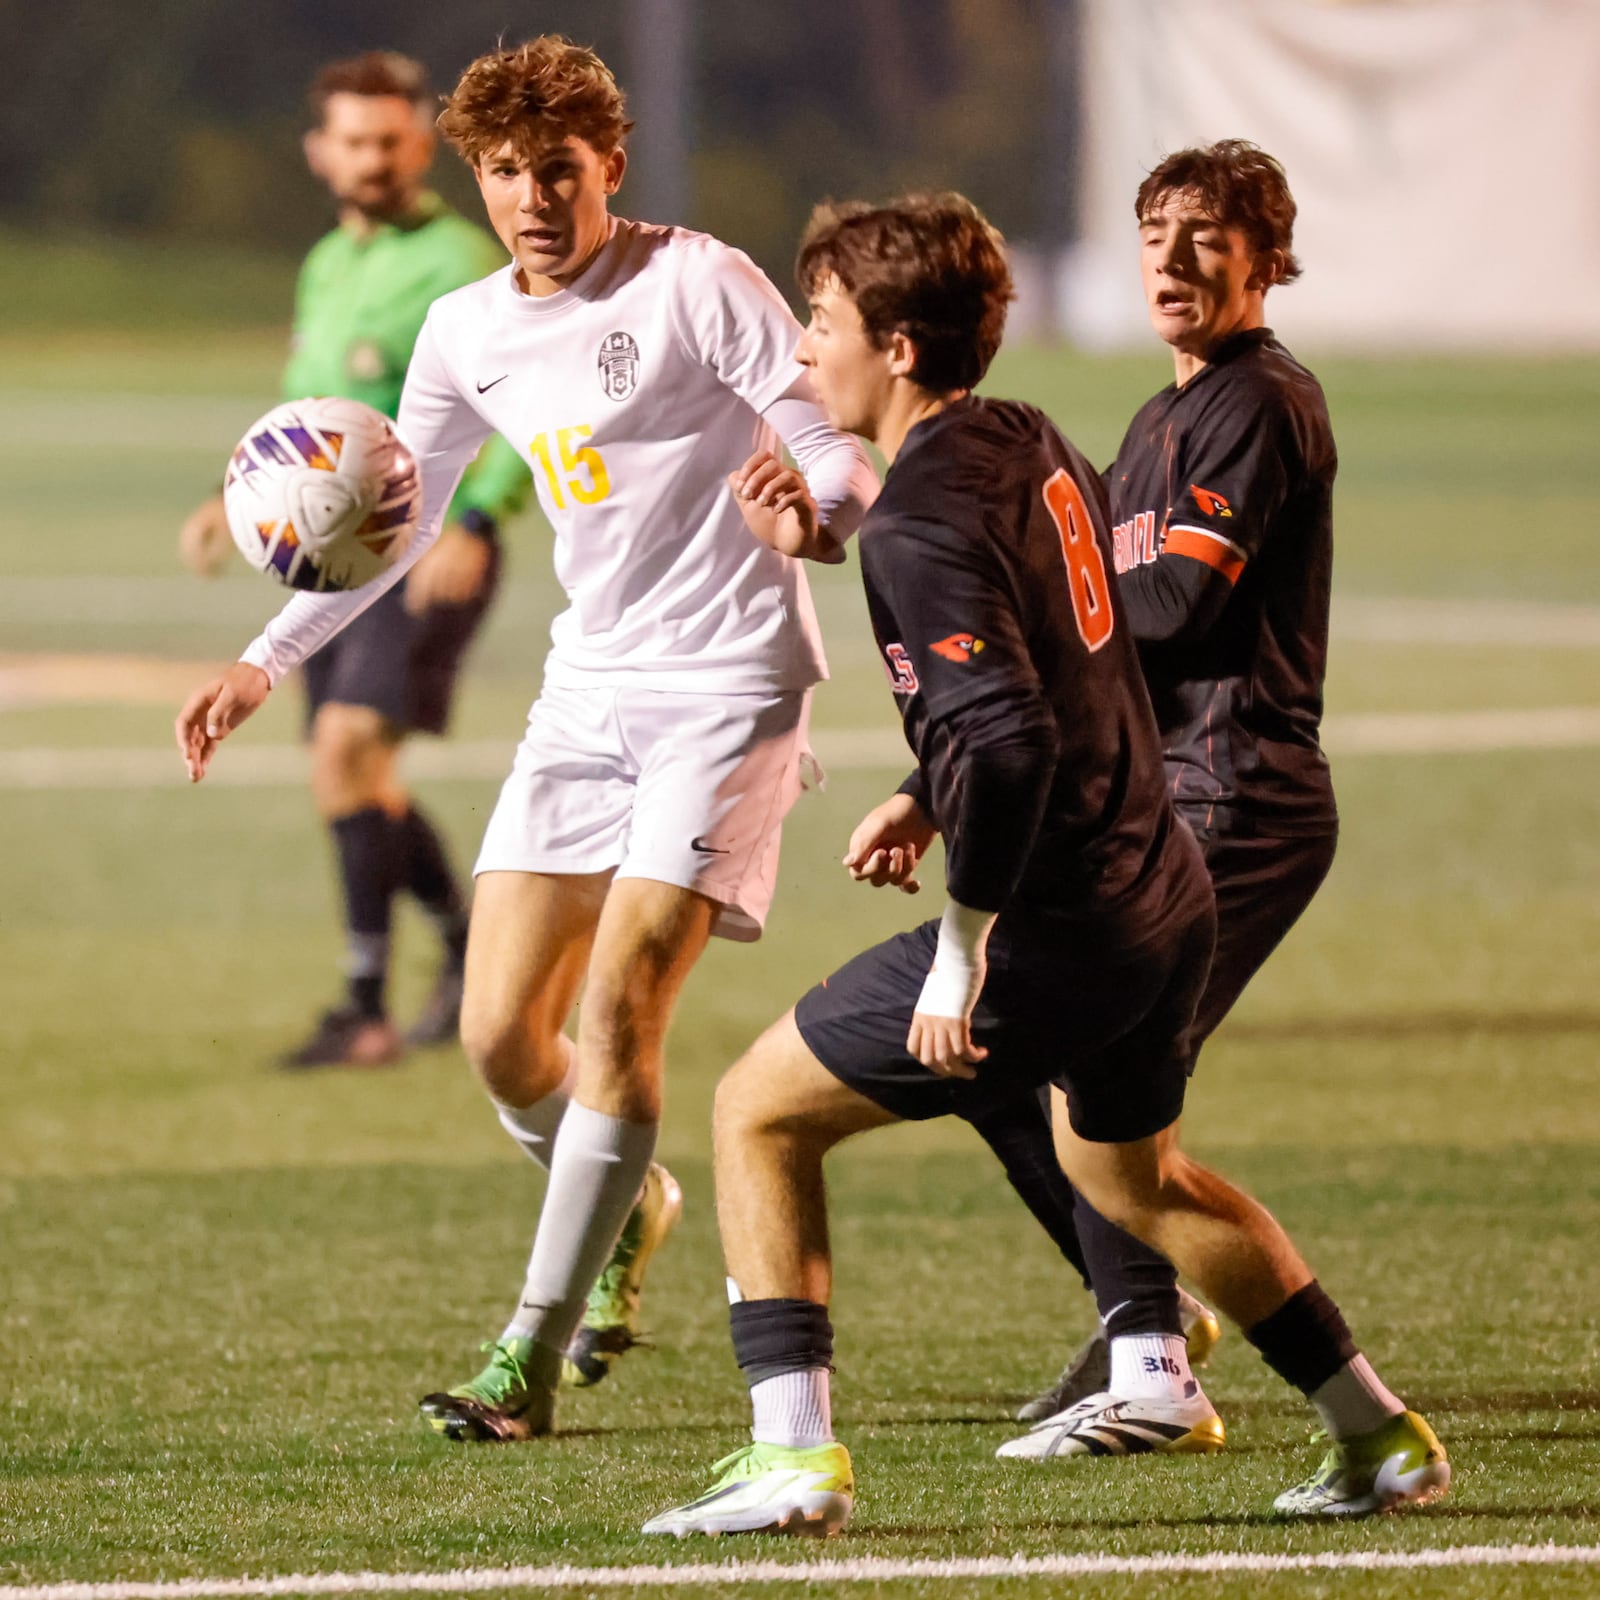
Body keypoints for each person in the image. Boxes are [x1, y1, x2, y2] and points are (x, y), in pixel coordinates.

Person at [642, 193, 1447, 1538]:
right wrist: (920, 783)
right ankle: (1378, 1433)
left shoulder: (918, 524)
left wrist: (961, 953)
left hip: (1057, 920)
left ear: (897, 348)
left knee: (753, 1113)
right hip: (1162, 891)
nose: (800, 356)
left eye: (824, 327)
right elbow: (1061, 658)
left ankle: (791, 1459)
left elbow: (1008, 746)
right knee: (1134, 1178)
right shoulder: (1019, 438)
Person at [175, 37, 878, 1427]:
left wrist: (827, 512)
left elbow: (834, 439)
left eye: (559, 169)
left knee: (620, 1013)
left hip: (729, 687)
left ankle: (526, 1358)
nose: (534, 199)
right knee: (503, 1039)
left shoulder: (697, 280)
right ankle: (631, 1201)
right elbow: (400, 521)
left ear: (608, 164)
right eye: (505, 174)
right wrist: (264, 662)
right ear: (480, 180)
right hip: (587, 692)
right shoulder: (466, 330)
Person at [971, 143, 1350, 1450]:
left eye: (1207, 235)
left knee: (1089, 1055)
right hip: (1165, 792)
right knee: (1000, 1041)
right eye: (1155, 234)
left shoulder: (1260, 402)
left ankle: (1153, 1364)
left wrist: (1032, 624)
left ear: (1266, 257)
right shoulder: (1155, 421)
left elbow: (1178, 608)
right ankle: (1147, 1319)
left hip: (1236, 791)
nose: (1175, 260)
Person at [178, 52, 530, 1069]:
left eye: (391, 140)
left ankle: (365, 1008)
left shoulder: (461, 257)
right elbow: (306, 408)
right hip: (339, 560)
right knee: (344, 777)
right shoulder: (328, 262)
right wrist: (227, 493)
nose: (372, 159)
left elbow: (519, 401)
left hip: (424, 546)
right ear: (320, 150)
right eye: (354, 140)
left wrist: (479, 521)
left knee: (346, 753)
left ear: (423, 145)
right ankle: (464, 946)